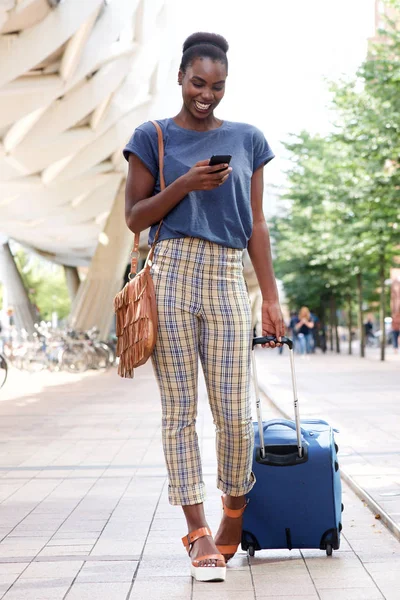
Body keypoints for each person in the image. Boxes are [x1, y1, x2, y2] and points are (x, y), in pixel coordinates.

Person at [123, 32, 284, 582]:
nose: (206, 95)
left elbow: (257, 223)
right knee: (179, 410)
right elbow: (135, 216)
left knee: (237, 413)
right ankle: (196, 532)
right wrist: (187, 184)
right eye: (198, 83)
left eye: (216, 86)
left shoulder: (248, 139)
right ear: (180, 78)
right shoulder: (153, 136)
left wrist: (269, 295)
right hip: (170, 274)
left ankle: (233, 512)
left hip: (226, 277)